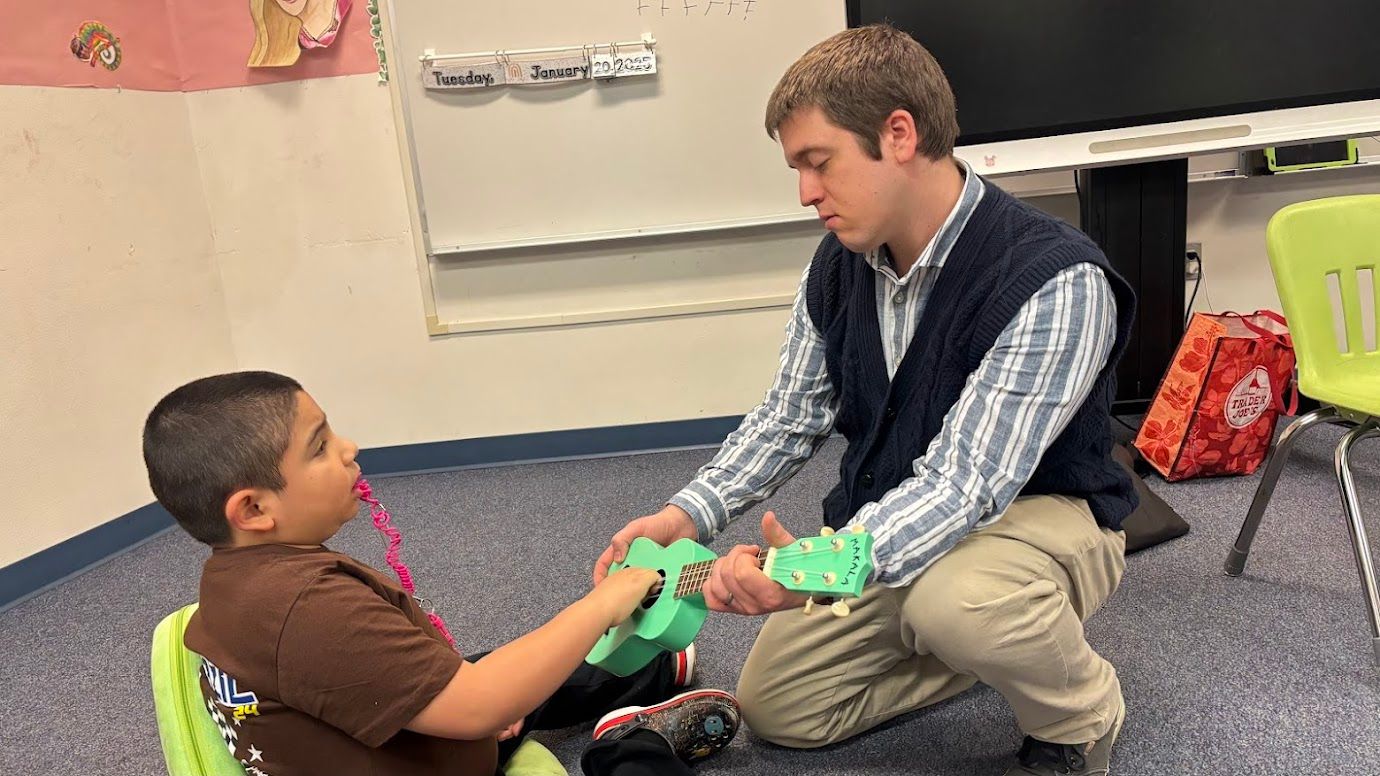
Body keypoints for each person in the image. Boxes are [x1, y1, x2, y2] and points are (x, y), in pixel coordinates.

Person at [595, 24, 1138, 776]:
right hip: (897, 520)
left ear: (900, 134)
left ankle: (1080, 711)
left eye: (819, 164)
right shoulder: (839, 265)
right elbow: (788, 418)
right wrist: (685, 514)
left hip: (1041, 517)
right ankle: (973, 645)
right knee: (784, 711)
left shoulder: (1054, 281)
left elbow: (964, 485)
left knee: (957, 603)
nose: (805, 193)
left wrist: (809, 569)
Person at [144, 370, 740, 776]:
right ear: (253, 509)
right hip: (449, 748)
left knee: (491, 674)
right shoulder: (307, 610)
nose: (349, 448)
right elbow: (478, 704)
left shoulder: (236, 583)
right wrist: (608, 602)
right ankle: (628, 745)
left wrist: (470, 706)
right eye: (320, 447)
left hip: (409, 735)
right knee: (495, 686)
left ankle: (644, 672)